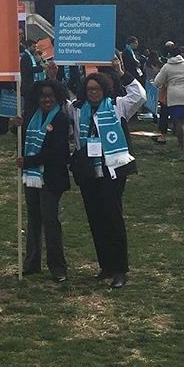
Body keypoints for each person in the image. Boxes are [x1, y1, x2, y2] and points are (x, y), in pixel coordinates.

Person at [70, 68, 145, 289]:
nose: (93, 93)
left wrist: (122, 72)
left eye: (97, 89)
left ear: (105, 90)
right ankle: (106, 265)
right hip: (88, 172)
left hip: (112, 170)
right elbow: (55, 104)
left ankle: (120, 269)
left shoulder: (117, 106)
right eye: (89, 89)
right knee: (95, 219)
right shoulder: (76, 110)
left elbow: (139, 95)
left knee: (112, 218)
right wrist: (53, 77)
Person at [15, 80, 71, 282]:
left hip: (51, 177)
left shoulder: (62, 119)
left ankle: (58, 267)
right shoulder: (31, 117)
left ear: (56, 97)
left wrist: (28, 161)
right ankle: (32, 262)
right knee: (33, 220)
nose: (46, 99)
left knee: (50, 221)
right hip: (31, 177)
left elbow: (57, 152)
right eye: (42, 96)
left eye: (50, 96)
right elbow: (24, 140)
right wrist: (16, 127)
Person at [153, 45, 184, 153]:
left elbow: (157, 82)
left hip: (174, 95)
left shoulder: (167, 67)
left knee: (179, 122)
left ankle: (181, 147)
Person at [20, 40, 46, 106]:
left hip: (33, 85)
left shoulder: (31, 56)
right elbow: (29, 70)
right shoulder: (26, 56)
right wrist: (41, 67)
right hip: (28, 86)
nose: (35, 49)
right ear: (28, 47)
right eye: (34, 47)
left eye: (36, 47)